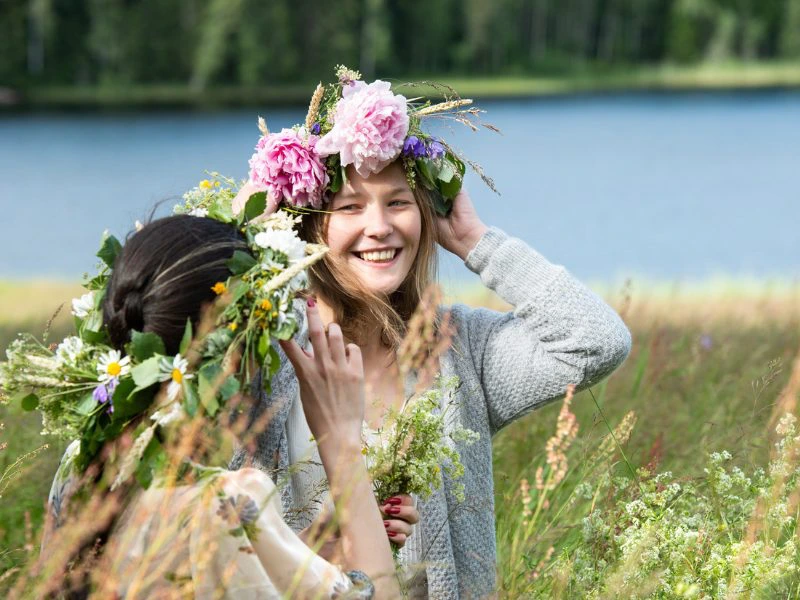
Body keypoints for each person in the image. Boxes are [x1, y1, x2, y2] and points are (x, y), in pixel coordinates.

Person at [229, 69, 633, 600]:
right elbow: (213, 554)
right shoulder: (264, 357)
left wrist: (473, 240)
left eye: (398, 202)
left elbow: (597, 341)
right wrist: (323, 543)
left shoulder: (461, 348)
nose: (380, 226)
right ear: (311, 226)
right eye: (350, 207)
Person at [41, 215, 399, 599]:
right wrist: (343, 446)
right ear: (233, 359)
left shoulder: (82, 466)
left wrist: (307, 545)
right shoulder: (227, 503)